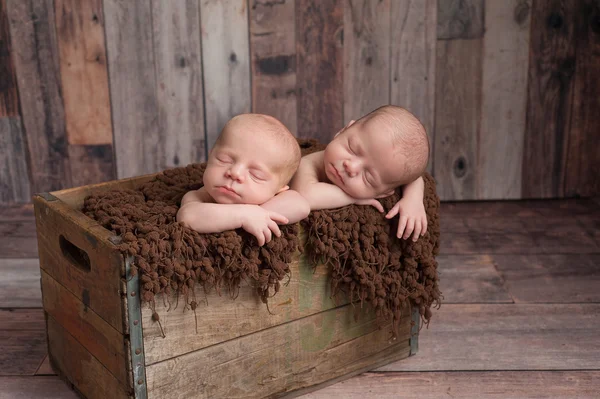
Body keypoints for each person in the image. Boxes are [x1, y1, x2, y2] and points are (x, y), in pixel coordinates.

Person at [291, 105, 429, 241]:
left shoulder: (390, 171)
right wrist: (353, 198)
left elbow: (413, 176)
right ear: (344, 130)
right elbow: (303, 194)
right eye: (352, 148)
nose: (351, 167)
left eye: (368, 177)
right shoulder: (309, 162)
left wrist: (413, 200)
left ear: (385, 192)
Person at [177, 113, 310, 246]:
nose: (235, 173)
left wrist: (259, 213)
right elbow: (187, 216)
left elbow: (301, 206)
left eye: (256, 174)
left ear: (278, 189)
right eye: (224, 160)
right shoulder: (201, 195)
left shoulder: (272, 198)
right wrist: (243, 215)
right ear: (211, 155)